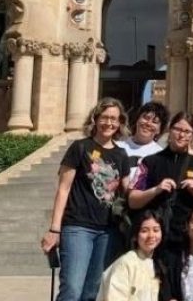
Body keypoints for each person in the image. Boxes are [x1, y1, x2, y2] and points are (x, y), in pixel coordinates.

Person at [41, 98, 132, 301]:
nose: (109, 123)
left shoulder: (121, 154)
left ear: (120, 123)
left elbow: (128, 192)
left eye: (114, 119)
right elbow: (63, 189)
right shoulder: (80, 147)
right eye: (105, 117)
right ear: (95, 118)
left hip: (109, 231)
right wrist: (54, 229)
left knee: (92, 292)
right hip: (78, 227)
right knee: (72, 289)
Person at [129, 112, 193, 251]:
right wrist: (155, 190)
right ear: (170, 130)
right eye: (177, 129)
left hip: (186, 241)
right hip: (155, 239)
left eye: (187, 131)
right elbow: (132, 201)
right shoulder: (149, 161)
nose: (181, 135)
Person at [97, 210, 163, 301]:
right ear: (135, 236)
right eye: (144, 231)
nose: (151, 235)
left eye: (156, 230)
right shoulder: (125, 263)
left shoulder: (160, 264)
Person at [118, 102, 170, 187]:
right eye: (146, 118)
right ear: (137, 120)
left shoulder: (161, 156)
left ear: (159, 130)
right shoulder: (118, 146)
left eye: (155, 122)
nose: (148, 123)